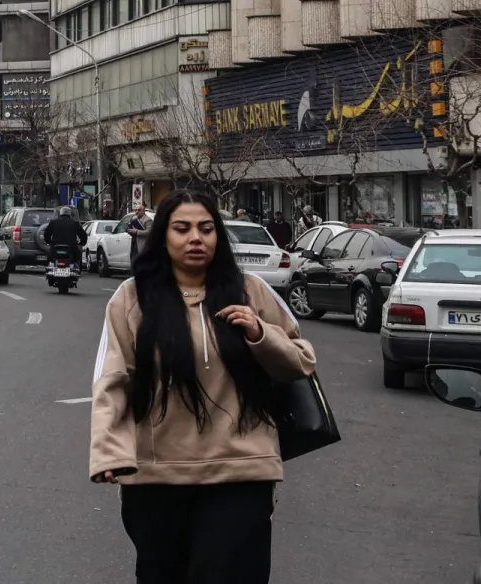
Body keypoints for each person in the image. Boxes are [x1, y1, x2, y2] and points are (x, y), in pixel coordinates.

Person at [91, 190, 317, 583]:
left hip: (241, 473)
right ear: (163, 236)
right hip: (158, 479)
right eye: (182, 228)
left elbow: (302, 361)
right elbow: (112, 378)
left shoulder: (252, 291)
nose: (196, 238)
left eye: (206, 229)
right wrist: (109, 452)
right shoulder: (132, 299)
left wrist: (260, 331)